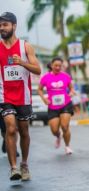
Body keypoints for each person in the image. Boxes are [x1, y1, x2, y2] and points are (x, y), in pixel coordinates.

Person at [0, 12, 41, 181]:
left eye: (5, 25)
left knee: (24, 131)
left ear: (14, 26)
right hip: (4, 95)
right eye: (0, 25)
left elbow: (38, 70)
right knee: (10, 127)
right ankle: (14, 168)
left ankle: (24, 164)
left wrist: (22, 62)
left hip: (23, 96)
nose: (2, 28)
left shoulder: (25, 46)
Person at [38, 57, 75, 155]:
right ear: (51, 65)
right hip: (52, 107)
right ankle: (58, 136)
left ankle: (67, 146)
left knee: (65, 126)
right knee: (54, 130)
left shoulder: (66, 76)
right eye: (56, 65)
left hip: (65, 104)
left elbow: (71, 88)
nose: (58, 67)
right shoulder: (45, 77)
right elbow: (39, 89)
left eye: (60, 66)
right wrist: (44, 99)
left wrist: (71, 93)